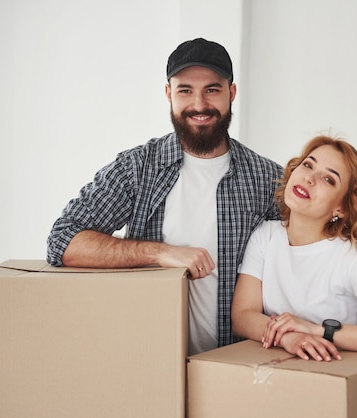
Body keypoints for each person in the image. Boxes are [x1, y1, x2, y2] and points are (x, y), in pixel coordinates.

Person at [47, 38, 283, 355]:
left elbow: (304, 266)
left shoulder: (268, 179)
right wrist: (159, 253)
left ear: (232, 93)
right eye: (185, 90)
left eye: (212, 89)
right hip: (150, 362)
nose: (199, 104)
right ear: (169, 93)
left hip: (238, 368)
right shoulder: (136, 168)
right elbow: (62, 241)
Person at [231, 135, 357, 361]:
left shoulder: (354, 257)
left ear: (341, 209)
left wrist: (317, 331)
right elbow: (242, 316)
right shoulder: (265, 237)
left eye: (328, 179)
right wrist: (289, 338)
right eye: (308, 165)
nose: (309, 178)